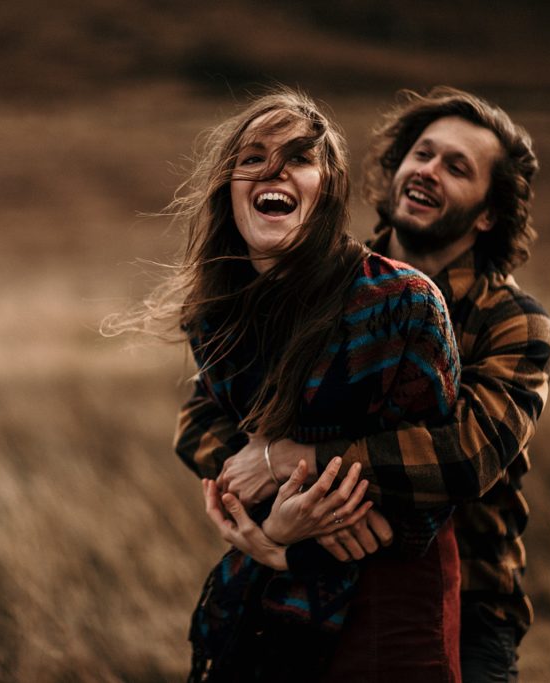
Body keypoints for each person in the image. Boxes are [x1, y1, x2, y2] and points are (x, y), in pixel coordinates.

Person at [185, 87, 550, 682]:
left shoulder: (512, 319)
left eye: (456, 167)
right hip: (307, 555)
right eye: (422, 154)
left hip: (467, 592)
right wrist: (264, 503)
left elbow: (464, 453)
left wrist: (290, 460)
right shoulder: (327, 277)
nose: (428, 171)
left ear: (489, 212)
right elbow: (201, 418)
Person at [111, 87, 464, 680]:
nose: (273, 170)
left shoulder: (401, 301)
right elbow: (204, 426)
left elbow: (444, 466)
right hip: (272, 586)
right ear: (228, 188)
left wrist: (286, 495)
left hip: (390, 595)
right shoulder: (215, 313)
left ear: (328, 188)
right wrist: (268, 532)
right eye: (252, 159)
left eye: (299, 158)